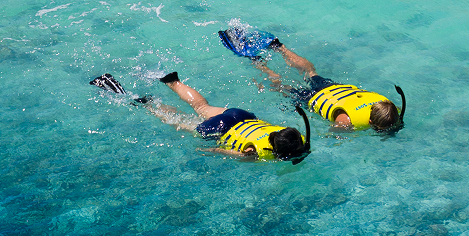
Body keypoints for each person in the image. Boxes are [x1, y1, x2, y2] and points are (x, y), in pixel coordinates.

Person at [217, 24, 405, 133]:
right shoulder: (348, 120)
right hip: (313, 98)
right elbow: (335, 131)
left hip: (335, 89)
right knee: (280, 85)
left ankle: (278, 47)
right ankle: (255, 59)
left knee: (311, 72)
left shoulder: (386, 104)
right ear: (371, 123)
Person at [90, 72, 311, 163]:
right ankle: (149, 105)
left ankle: (173, 82)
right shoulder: (255, 152)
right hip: (223, 128)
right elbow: (230, 151)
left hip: (241, 116)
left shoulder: (291, 134)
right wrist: (211, 150)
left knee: (201, 106)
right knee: (178, 121)